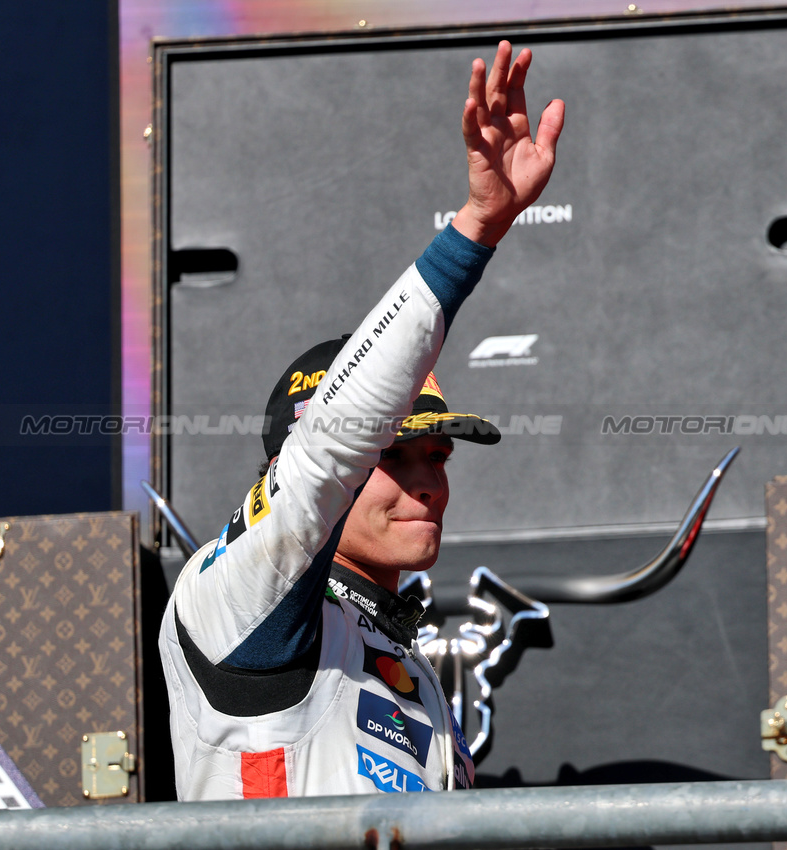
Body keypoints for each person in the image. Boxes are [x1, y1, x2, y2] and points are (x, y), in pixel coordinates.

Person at [158, 40, 564, 800]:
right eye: (394, 457)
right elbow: (329, 449)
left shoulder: (407, 663)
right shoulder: (241, 595)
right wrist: (475, 229)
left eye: (437, 458)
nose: (426, 487)